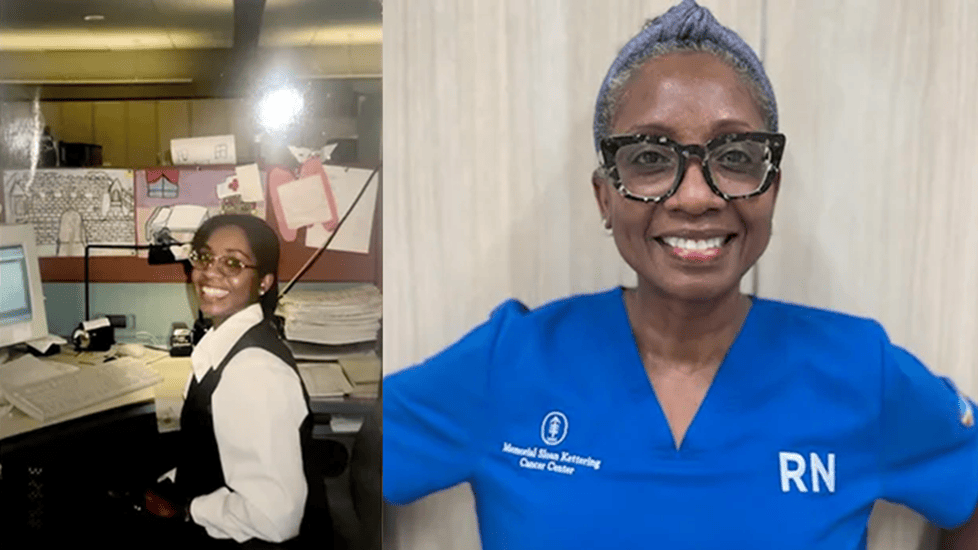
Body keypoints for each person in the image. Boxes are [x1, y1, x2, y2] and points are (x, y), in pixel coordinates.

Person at [382, 1, 978, 548]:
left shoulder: (858, 370)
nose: (695, 197)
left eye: (737, 156)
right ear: (603, 198)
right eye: (649, 157)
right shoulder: (508, 363)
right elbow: (367, 452)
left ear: (772, 187)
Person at [117, 214, 332, 549]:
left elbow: (275, 518)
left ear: (264, 282)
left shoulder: (252, 373)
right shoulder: (225, 346)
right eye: (203, 257)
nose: (210, 272)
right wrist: (173, 483)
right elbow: (212, 453)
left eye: (233, 262)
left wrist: (187, 509)